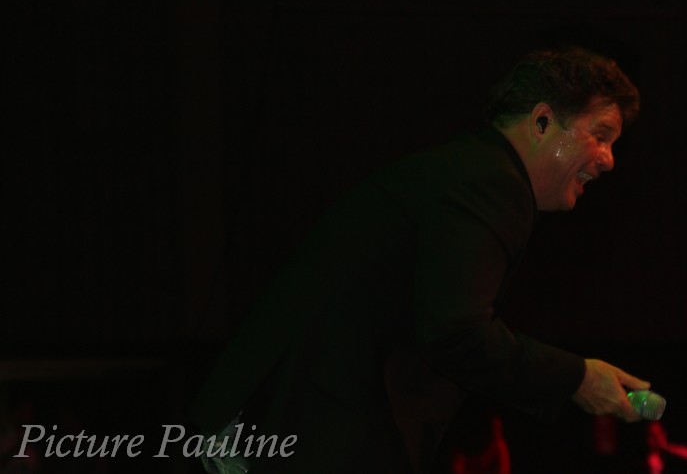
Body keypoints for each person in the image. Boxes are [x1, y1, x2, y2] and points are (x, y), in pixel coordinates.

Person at [189, 46, 649, 473]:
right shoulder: (492, 186)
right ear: (543, 122)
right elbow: (456, 334)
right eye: (600, 136)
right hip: (297, 428)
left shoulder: (467, 173)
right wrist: (577, 379)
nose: (609, 160)